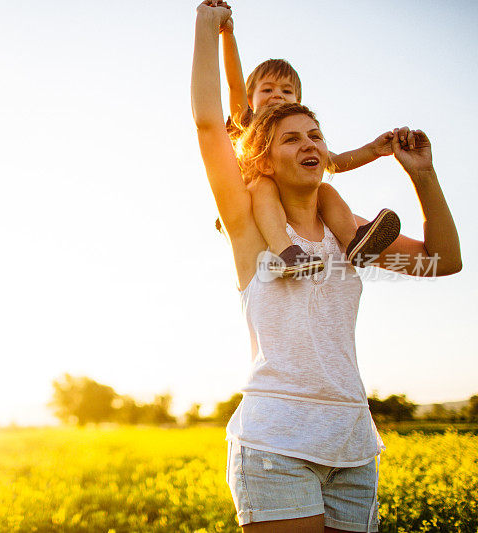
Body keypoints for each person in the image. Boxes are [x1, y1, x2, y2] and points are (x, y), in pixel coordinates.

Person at [190, 3, 461, 532]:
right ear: (263, 160)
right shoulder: (248, 226)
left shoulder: (351, 233)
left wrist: (424, 176)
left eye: (314, 135)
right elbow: (206, 123)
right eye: (291, 138)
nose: (309, 143)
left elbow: (440, 262)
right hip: (276, 444)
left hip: (353, 444)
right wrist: (207, 29)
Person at [218, 12, 401, 278]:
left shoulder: (301, 131)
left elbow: (334, 163)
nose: (277, 94)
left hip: (295, 197)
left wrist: (373, 150)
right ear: (250, 98)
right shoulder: (248, 121)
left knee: (325, 189)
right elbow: (234, 81)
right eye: (267, 89)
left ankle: (355, 240)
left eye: (286, 90)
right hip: (252, 203)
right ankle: (287, 252)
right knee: (264, 185)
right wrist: (227, 34)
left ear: (298, 99)